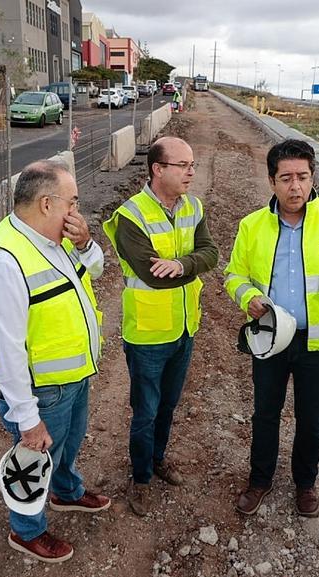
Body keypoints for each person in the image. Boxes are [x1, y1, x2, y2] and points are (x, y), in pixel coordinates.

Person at [224, 139, 319, 517]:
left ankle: (305, 484)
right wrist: (248, 298)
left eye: (303, 177)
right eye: (286, 178)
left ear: (313, 178)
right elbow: (234, 275)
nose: (296, 187)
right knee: (265, 413)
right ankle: (260, 480)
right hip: (271, 338)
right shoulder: (252, 226)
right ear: (272, 181)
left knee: (313, 419)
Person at [0, 161, 111, 563]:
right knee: (33, 461)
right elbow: (6, 351)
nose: (77, 211)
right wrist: (27, 419)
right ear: (47, 203)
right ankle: (26, 530)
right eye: (73, 202)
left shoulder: (54, 239)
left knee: (68, 447)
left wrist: (85, 243)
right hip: (42, 392)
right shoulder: (2, 263)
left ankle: (67, 492)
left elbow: (96, 270)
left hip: (76, 376)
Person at [104, 137, 219, 516]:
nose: (190, 172)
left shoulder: (193, 207)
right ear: (158, 169)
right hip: (148, 335)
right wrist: (190, 263)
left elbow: (211, 254)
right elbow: (152, 276)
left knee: (168, 405)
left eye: (192, 165)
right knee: (145, 411)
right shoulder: (131, 216)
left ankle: (157, 459)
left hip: (184, 329)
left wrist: (183, 264)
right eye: (182, 165)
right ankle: (140, 478)